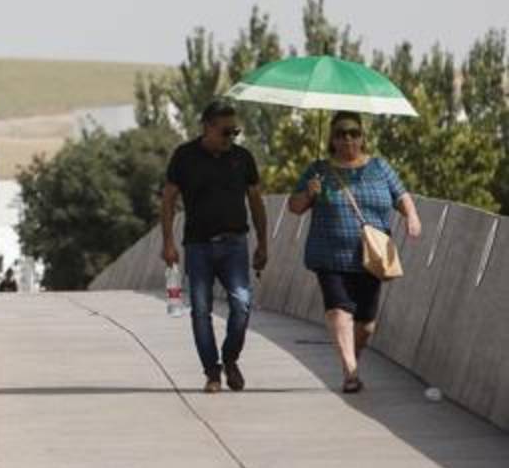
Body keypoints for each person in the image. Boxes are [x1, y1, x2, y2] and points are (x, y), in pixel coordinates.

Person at [287, 111, 421, 394]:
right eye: (341, 133)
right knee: (338, 310)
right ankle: (350, 371)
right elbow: (294, 207)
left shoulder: (379, 167)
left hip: (371, 256)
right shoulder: (318, 170)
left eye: (354, 133)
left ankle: (352, 360)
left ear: (362, 137)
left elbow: (401, 195)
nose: (348, 139)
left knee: (366, 323)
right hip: (329, 254)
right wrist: (309, 193)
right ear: (332, 139)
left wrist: (411, 216)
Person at [161, 100, 268, 393]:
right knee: (200, 310)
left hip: (235, 245)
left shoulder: (242, 158)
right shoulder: (184, 156)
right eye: (225, 132)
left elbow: (256, 202)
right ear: (207, 127)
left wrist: (263, 243)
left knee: (242, 304)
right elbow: (168, 199)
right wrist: (168, 242)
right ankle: (212, 372)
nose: (230, 138)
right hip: (198, 247)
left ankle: (230, 358)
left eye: (235, 132)